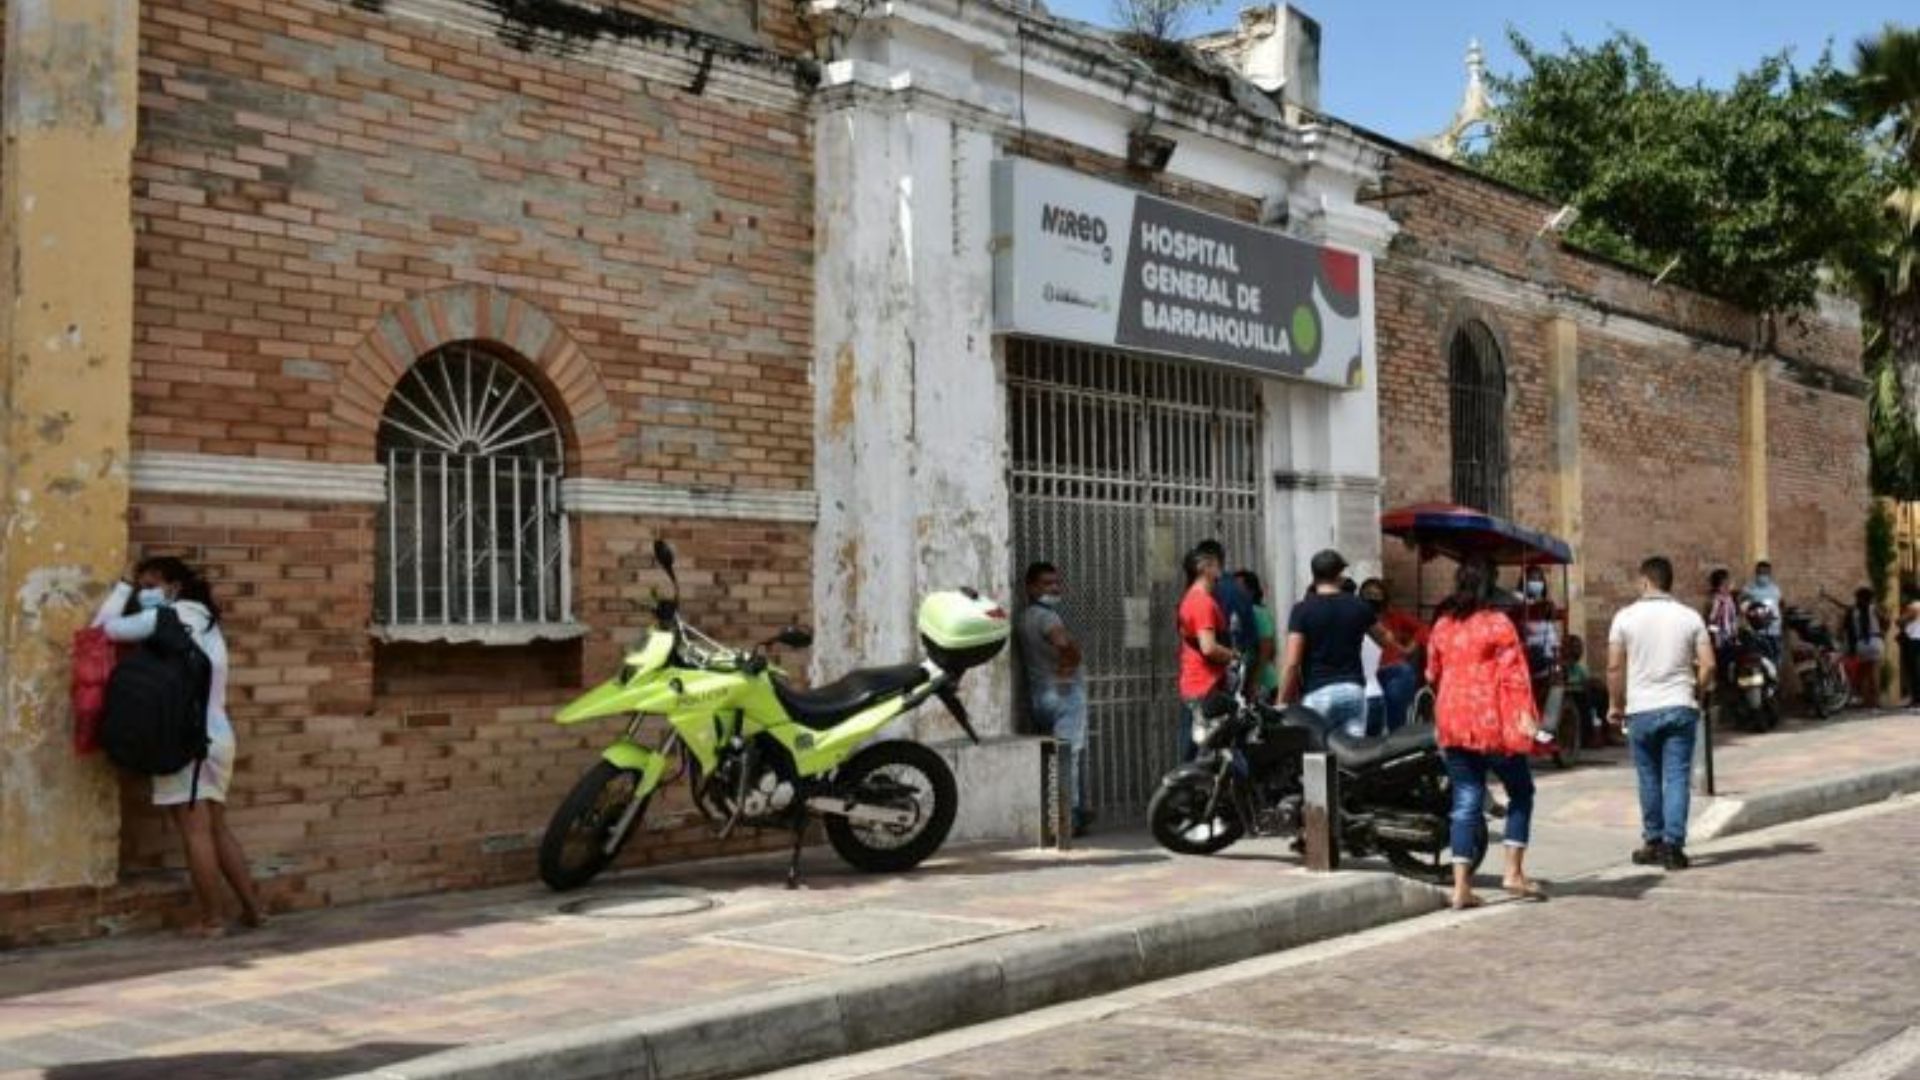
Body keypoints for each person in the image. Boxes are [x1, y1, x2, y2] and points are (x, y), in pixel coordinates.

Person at [93, 557, 265, 938]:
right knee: (217, 828)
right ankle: (254, 910)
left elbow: (101, 631)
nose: (145, 592)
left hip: (184, 740)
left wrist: (123, 588)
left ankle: (212, 919)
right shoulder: (206, 621)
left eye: (151, 584)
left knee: (195, 834)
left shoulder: (163, 621)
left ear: (173, 586)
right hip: (219, 737)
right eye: (141, 586)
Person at [1424, 558, 1545, 910]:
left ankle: (1461, 887)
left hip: (1451, 720)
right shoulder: (1498, 624)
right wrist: (1527, 720)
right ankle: (1513, 873)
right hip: (1492, 722)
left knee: (1466, 799)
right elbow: (1516, 675)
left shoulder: (1443, 626)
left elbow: (1431, 673)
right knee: (1521, 791)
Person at [1608, 556, 1715, 871]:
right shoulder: (1689, 617)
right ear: (1669, 582)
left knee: (1648, 776)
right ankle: (1674, 847)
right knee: (1677, 776)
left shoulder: (1624, 618)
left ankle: (1652, 841)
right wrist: (1696, 691)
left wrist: (1615, 704)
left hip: (1641, 708)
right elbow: (1708, 665)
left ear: (1644, 582)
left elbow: (1614, 666)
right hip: (1680, 705)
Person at [1278, 549, 1389, 738]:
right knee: (1353, 758)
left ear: (1314, 577)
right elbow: (1386, 639)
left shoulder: (1302, 610)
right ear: (1339, 575)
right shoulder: (1359, 606)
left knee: (1318, 760)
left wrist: (1281, 703)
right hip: (1353, 691)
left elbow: (1292, 664)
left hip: (1318, 692)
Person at [1019, 562, 1091, 837]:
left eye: (1056, 583)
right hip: (1064, 696)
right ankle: (1066, 819)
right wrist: (1069, 665)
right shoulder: (1048, 618)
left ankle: (1060, 815)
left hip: (1039, 696)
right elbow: (1062, 644)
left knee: (1053, 756)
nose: (1054, 588)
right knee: (1067, 756)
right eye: (1046, 583)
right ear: (1030, 587)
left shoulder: (1025, 617)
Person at [1178, 546, 1237, 760]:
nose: (1220, 567)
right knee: (1204, 759)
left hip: (1198, 687)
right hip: (1205, 687)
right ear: (1204, 568)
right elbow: (1209, 647)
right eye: (1215, 563)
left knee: (1194, 756)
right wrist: (1234, 656)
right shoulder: (1202, 602)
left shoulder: (1193, 598)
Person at [1197, 539, 1260, 657]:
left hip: (1219, 662)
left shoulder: (1213, 591)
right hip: (1240, 659)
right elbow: (1252, 638)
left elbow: (1209, 644)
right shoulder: (1239, 589)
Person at [1234, 570, 1279, 704]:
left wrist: (1255, 682)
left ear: (1251, 591)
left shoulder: (1257, 612)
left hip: (1262, 685)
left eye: (1239, 589)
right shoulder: (1239, 613)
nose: (1235, 593)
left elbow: (1267, 648)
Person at [1844, 586, 1885, 710]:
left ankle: (1866, 702)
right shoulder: (1874, 608)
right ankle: (1876, 702)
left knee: (1864, 674)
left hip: (1861, 643)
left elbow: (1846, 626)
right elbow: (1886, 620)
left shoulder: (1853, 611)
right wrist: (1882, 629)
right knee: (1875, 673)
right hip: (1875, 640)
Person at [1741, 560, 1784, 662]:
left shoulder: (1775, 589)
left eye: (1765, 573)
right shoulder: (1749, 589)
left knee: (1775, 661)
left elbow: (1781, 604)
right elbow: (1741, 605)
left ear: (1769, 574)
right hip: (1757, 633)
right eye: (1760, 573)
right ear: (1756, 573)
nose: (1762, 576)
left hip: (1774, 630)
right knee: (1759, 661)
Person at [1901, 590, 1920, 708]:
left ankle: (1916, 698)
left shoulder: (1914, 605)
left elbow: (1902, 620)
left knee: (1913, 669)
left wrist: (1900, 619)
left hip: (1914, 639)